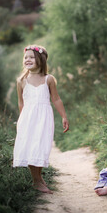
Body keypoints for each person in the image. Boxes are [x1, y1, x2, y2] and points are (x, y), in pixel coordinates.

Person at [13, 45, 69, 194]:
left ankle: (38, 177)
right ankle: (36, 181)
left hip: (44, 118)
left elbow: (56, 99)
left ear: (40, 59)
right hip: (28, 118)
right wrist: (21, 121)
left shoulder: (48, 79)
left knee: (41, 147)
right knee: (31, 146)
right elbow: (21, 102)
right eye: (26, 57)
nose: (27, 60)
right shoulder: (21, 80)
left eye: (31, 57)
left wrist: (64, 116)